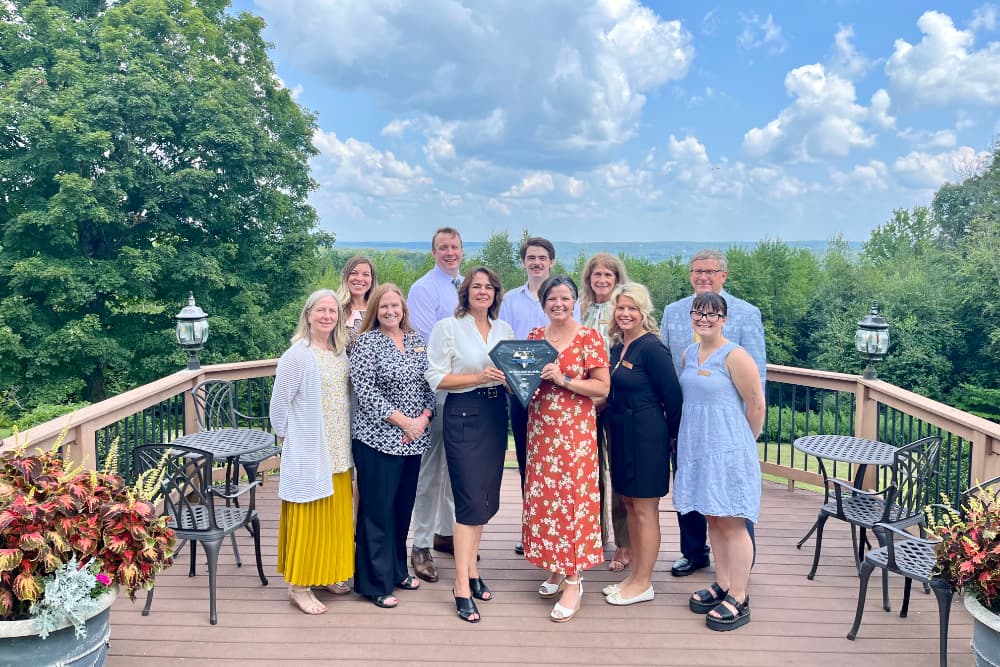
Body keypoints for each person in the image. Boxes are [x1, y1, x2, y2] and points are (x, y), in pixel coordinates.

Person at [659, 248, 766, 577]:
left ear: (724, 275)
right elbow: (667, 363)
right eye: (696, 271)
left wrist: (748, 435)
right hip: (687, 421)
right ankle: (694, 552)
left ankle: (739, 567)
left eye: (709, 271)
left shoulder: (745, 313)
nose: (702, 277)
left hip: (727, 426)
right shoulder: (674, 311)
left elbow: (757, 379)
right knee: (690, 485)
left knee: (731, 500)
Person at [425, 266, 513, 623]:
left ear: (495, 293)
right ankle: (461, 584)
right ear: (465, 292)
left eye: (488, 287)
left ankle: (474, 573)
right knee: (468, 500)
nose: (482, 292)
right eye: (476, 286)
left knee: (486, 499)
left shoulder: (504, 330)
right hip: (463, 413)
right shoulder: (448, 327)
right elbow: (434, 376)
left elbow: (512, 372)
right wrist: (478, 377)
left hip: (495, 413)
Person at [673, 292, 765, 631]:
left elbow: (756, 406)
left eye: (713, 314)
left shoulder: (735, 356)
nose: (705, 318)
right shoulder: (689, 353)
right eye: (699, 312)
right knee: (712, 517)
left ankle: (739, 595)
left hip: (728, 448)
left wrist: (742, 444)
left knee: (732, 522)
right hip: (697, 446)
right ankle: (723, 583)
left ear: (724, 319)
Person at [523, 275, 610, 623]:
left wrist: (565, 379)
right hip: (541, 433)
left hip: (574, 436)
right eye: (551, 299)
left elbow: (602, 386)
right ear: (543, 303)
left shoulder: (589, 337)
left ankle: (575, 580)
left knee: (573, 502)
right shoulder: (533, 337)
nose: (558, 304)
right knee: (545, 500)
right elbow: (524, 380)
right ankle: (556, 567)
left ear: (575, 301)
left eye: (564, 298)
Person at [350, 284, 436, 608]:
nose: (390, 311)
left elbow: (430, 384)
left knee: (402, 510)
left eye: (395, 306)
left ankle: (399, 570)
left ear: (403, 309)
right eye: (383, 306)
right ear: (376, 309)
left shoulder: (415, 340)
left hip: (413, 442)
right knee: (377, 512)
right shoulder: (366, 343)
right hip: (377, 440)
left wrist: (424, 419)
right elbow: (367, 393)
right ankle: (375, 582)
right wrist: (405, 422)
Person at [269, 289, 354, 615]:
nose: (328, 316)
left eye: (333, 311)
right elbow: (279, 405)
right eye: (321, 310)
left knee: (334, 517)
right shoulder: (298, 355)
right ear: (308, 315)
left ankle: (328, 572)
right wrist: (290, 438)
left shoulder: (338, 352)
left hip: (337, 447)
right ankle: (300, 586)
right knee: (309, 516)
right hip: (310, 447)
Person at [602, 283, 682, 606]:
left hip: (647, 437)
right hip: (621, 436)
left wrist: (674, 444)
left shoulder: (652, 348)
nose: (625, 313)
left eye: (632, 308)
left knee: (646, 510)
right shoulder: (617, 346)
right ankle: (634, 576)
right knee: (631, 507)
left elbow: (674, 400)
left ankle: (644, 582)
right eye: (621, 308)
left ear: (643, 312)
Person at [498, 237, 578, 555]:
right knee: (527, 460)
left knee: (559, 463)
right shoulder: (510, 300)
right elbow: (503, 336)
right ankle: (531, 525)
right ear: (523, 262)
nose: (536, 262)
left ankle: (564, 528)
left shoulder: (566, 296)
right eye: (531, 257)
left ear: (552, 261)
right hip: (521, 388)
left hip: (560, 389)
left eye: (542, 257)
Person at [407, 227, 464, 582]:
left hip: (470, 392)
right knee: (430, 470)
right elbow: (431, 346)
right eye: (442, 247)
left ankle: (446, 533)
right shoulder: (424, 289)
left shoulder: (467, 285)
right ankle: (421, 543)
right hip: (439, 389)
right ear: (433, 252)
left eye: (454, 246)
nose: (449, 252)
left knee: (457, 468)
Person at [580, 252, 632, 572]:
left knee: (621, 474)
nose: (601, 281)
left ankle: (625, 543)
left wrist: (606, 394)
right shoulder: (583, 309)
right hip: (586, 401)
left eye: (608, 276)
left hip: (616, 400)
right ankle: (596, 534)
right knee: (591, 472)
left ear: (617, 279)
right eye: (596, 275)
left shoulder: (622, 310)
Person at [336, 255, 378, 348]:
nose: (359, 279)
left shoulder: (379, 310)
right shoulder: (335, 309)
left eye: (366, 274)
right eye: (354, 273)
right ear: (345, 277)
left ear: (372, 280)